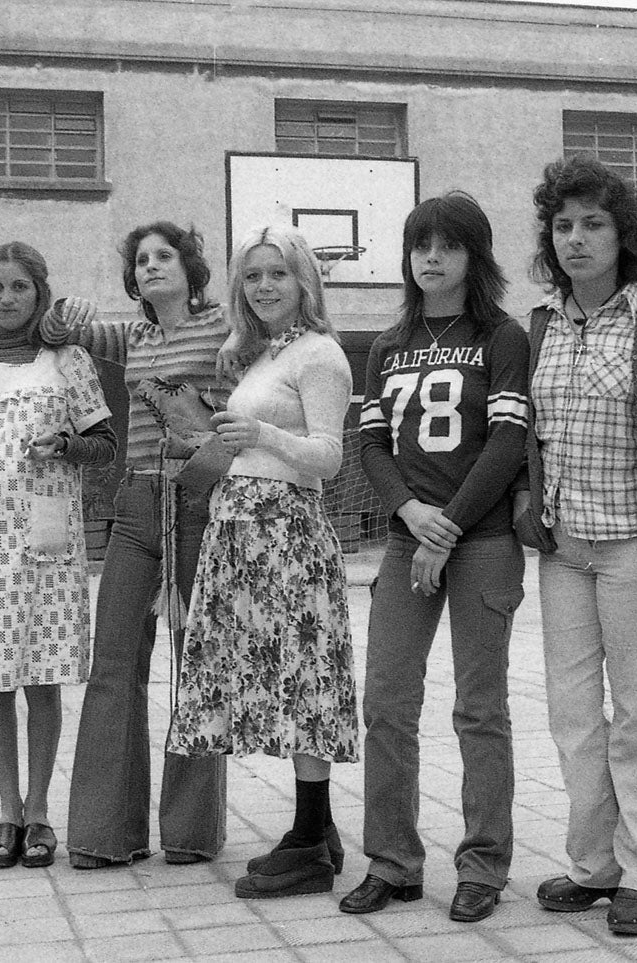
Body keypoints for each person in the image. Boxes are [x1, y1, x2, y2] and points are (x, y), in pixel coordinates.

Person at [515, 155, 637, 936]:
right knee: (572, 716)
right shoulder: (541, 323)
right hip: (563, 552)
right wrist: (530, 498)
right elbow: (531, 432)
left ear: (622, 234)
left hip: (632, 548)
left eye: (592, 223)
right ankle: (593, 864)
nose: (575, 239)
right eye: (562, 226)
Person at [342, 191, 530, 923]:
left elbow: (507, 441)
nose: (431, 257)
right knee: (385, 702)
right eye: (421, 244)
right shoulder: (388, 345)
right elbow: (371, 445)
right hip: (407, 535)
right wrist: (411, 516)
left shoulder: (501, 336)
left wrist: (444, 527)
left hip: (479, 540)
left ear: (472, 256)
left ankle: (482, 864)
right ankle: (392, 862)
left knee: (478, 708)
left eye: (448, 246)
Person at [166, 224, 357, 900]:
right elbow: (253, 447)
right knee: (275, 686)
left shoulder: (319, 354)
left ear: (303, 279)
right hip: (240, 532)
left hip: (286, 536)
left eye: (277, 273)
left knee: (302, 685)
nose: (264, 286)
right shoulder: (257, 356)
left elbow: (329, 456)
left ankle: (311, 837)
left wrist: (260, 433)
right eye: (252, 276)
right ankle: (317, 830)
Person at [40, 222, 230, 867]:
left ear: (190, 267)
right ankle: (105, 834)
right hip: (137, 503)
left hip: (203, 500)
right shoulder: (132, 336)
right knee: (115, 660)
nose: (151, 267)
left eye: (164, 256)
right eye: (141, 260)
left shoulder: (226, 328)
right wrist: (67, 314)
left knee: (197, 663)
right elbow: (55, 331)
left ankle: (191, 834)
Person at [0, 240, 117, 870]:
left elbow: (106, 444)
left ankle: (40, 811)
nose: (7, 298)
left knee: (40, 678)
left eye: (20, 287)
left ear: (40, 293)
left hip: (42, 545)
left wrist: (64, 442)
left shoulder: (66, 362)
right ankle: (6, 811)